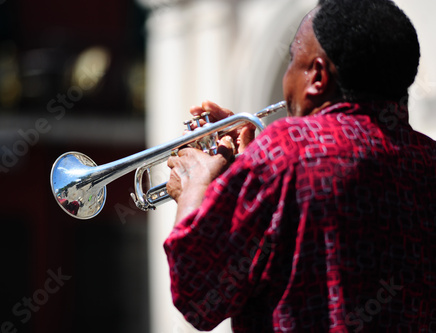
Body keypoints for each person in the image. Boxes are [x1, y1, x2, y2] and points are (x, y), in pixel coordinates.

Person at [164, 0, 436, 332]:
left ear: (317, 77)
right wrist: (254, 170)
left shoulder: (286, 149)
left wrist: (195, 189)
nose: (286, 73)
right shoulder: (428, 159)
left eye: (293, 59)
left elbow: (198, 295)